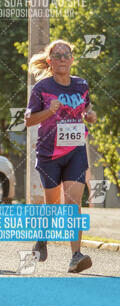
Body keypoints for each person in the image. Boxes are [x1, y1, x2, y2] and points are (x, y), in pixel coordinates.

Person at [25, 39, 97, 273]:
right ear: (50, 61)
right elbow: (28, 120)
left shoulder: (81, 84)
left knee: (73, 203)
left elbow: (87, 108)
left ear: (72, 59)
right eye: (58, 55)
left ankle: (76, 255)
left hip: (75, 151)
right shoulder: (42, 88)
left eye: (67, 54)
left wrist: (90, 115)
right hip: (49, 154)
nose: (63, 58)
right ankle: (42, 239)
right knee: (53, 205)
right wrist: (49, 110)